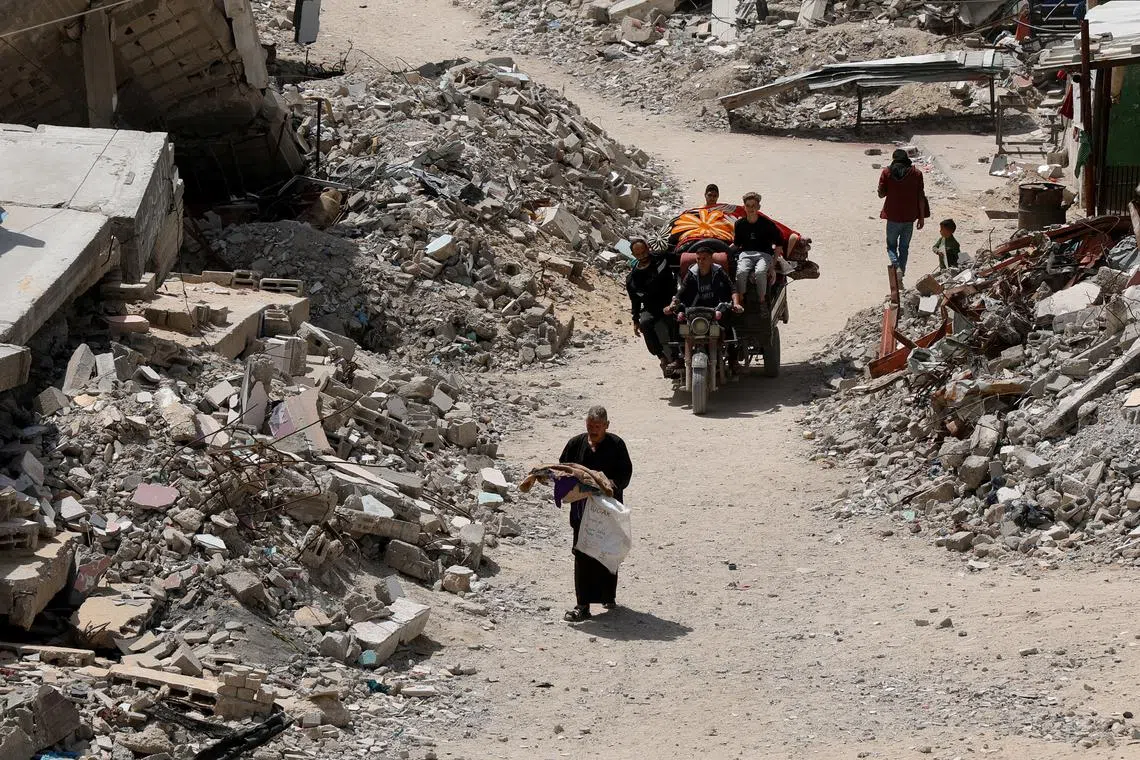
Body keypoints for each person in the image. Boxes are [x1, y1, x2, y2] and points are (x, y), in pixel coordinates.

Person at [559, 406, 632, 622]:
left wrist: (610, 484)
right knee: (582, 553)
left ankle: (608, 596)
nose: (593, 431)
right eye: (590, 426)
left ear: (607, 426)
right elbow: (563, 468)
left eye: (597, 427)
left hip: (607, 510)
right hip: (582, 510)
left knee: (608, 550)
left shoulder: (617, 445)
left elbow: (625, 474)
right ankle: (583, 605)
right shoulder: (576, 443)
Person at [626, 238, 679, 377]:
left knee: (676, 321)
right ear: (633, 255)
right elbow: (635, 300)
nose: (642, 256)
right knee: (645, 324)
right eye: (638, 255)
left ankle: (677, 358)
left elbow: (681, 260)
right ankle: (662, 358)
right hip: (651, 308)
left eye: (644, 252)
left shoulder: (661, 258)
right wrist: (635, 319)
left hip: (671, 303)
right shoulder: (633, 278)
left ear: (648, 248)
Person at [877, 148, 928, 279]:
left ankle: (896, 266)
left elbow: (881, 194)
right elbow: (921, 197)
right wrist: (921, 218)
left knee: (891, 247)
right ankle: (901, 274)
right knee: (904, 248)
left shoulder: (887, 172)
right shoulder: (916, 174)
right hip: (909, 217)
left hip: (893, 216)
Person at [732, 192, 785, 304]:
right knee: (741, 272)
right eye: (748, 206)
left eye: (754, 206)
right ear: (744, 207)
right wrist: (722, 251)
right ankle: (741, 299)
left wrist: (773, 265)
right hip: (746, 254)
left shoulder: (767, 225)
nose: (751, 209)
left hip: (763, 254)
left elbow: (779, 244)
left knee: (760, 272)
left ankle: (762, 301)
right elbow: (736, 244)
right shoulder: (739, 224)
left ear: (758, 207)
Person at [667, 247, 741, 314]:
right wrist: (671, 305)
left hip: (717, 308)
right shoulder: (692, 273)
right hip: (695, 309)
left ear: (711, 259)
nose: (700, 262)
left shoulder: (718, 271)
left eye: (704, 259)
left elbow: (732, 287)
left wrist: (736, 304)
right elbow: (681, 291)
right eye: (698, 259)